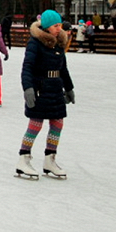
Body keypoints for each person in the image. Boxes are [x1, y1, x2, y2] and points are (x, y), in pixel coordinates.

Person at [15, 10, 75, 180]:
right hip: (40, 89)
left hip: (55, 89)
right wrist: (28, 88)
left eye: (59, 25)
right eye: (55, 26)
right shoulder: (35, 42)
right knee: (35, 124)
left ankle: (50, 159)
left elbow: (63, 68)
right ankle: (23, 158)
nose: (59, 28)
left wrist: (69, 88)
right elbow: (27, 66)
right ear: (47, 26)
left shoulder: (58, 42)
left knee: (57, 123)